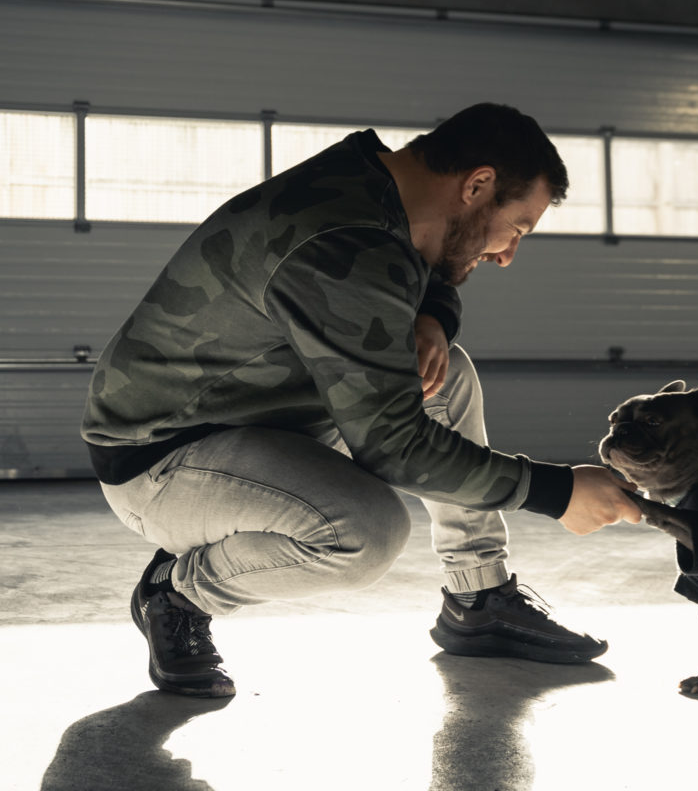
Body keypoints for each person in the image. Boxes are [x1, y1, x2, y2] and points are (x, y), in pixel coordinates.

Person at [82, 102, 642, 698]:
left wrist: (431, 316)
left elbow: (432, 271)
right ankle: (177, 592)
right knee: (363, 531)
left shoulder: (379, 186)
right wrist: (559, 493)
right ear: (476, 185)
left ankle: (479, 596)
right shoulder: (342, 241)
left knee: (447, 376)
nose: (507, 253)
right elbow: (395, 448)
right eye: (517, 228)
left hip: (261, 421)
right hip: (160, 460)